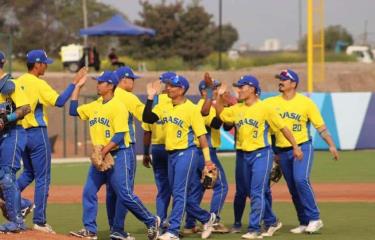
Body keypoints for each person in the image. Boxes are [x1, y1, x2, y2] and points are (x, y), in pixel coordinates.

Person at [69, 71, 160, 240]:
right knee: (89, 191)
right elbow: (73, 111)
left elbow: (119, 135)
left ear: (110, 85)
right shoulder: (95, 105)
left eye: (101, 82)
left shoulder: (118, 106)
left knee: (124, 193)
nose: (97, 84)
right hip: (101, 156)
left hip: (120, 153)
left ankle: (151, 220)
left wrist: (103, 152)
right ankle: (90, 229)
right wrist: (77, 88)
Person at [215, 75, 303, 239]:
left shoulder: (265, 108)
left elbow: (283, 128)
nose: (239, 90)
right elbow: (221, 115)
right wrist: (219, 97)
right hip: (243, 155)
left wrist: (296, 146)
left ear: (252, 89)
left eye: (242, 87)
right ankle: (272, 221)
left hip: (261, 154)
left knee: (256, 191)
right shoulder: (238, 108)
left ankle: (254, 229)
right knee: (249, 191)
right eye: (238, 87)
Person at [16, 49, 87, 233]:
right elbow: (60, 101)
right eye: (45, 63)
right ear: (37, 64)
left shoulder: (17, 81)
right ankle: (39, 221)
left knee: (28, 173)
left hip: (21, 134)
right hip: (37, 134)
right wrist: (74, 83)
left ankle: (9, 198)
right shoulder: (38, 83)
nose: (46, 66)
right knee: (43, 178)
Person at [264, 69, 339, 234]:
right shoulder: (270, 103)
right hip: (282, 151)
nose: (280, 82)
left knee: (300, 180)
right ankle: (304, 221)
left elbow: (321, 127)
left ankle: (315, 218)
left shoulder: (306, 103)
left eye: (284, 79)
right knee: (293, 187)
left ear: (293, 84)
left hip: (302, 147)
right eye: (280, 79)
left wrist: (331, 145)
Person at [143, 75, 217, 240]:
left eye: (172, 86)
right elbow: (147, 118)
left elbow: (202, 137)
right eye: (168, 85)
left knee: (178, 192)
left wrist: (208, 160)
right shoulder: (165, 105)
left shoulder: (191, 109)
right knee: (178, 193)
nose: (168, 88)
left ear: (182, 89)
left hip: (187, 152)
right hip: (171, 155)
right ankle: (206, 217)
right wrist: (150, 97)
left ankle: (173, 231)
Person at [183, 77, 229, 234]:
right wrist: (220, 101)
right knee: (222, 186)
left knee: (197, 189)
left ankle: (190, 224)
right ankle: (213, 221)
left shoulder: (204, 104)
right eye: (213, 88)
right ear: (204, 91)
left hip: (197, 152)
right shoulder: (204, 105)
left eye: (216, 88)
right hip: (205, 152)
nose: (216, 90)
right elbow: (216, 123)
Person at [105, 66, 146, 239]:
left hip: (107, 146)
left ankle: (112, 226)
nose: (133, 83)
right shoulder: (128, 97)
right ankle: (118, 229)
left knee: (111, 190)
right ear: (124, 80)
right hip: (125, 146)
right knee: (125, 190)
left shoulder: (107, 96)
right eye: (132, 79)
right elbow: (146, 116)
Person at [0, 51, 31, 233]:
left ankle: (17, 222)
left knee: (6, 175)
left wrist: (6, 118)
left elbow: (25, 108)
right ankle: (24, 204)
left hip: (13, 133)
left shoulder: (11, 84)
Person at [142, 71, 176, 232]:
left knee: (163, 189)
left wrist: (145, 153)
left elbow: (146, 131)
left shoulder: (155, 103)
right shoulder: (175, 102)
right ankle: (174, 223)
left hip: (156, 148)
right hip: (172, 149)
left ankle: (161, 220)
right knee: (178, 188)